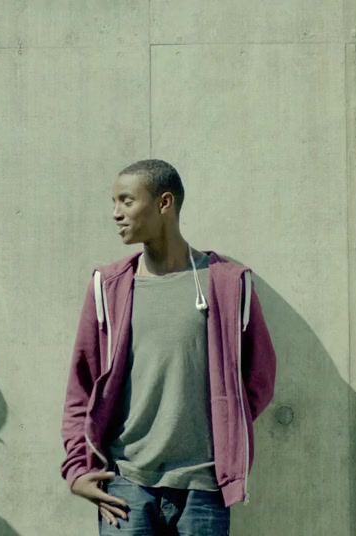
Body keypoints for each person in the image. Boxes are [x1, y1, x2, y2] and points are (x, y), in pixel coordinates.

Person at [61, 160, 278, 534]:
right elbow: (82, 387)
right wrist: (77, 469)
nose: (116, 214)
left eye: (127, 201)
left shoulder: (227, 283)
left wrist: (225, 429)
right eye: (114, 203)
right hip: (125, 483)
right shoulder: (109, 287)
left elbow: (258, 380)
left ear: (164, 203)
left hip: (204, 487)